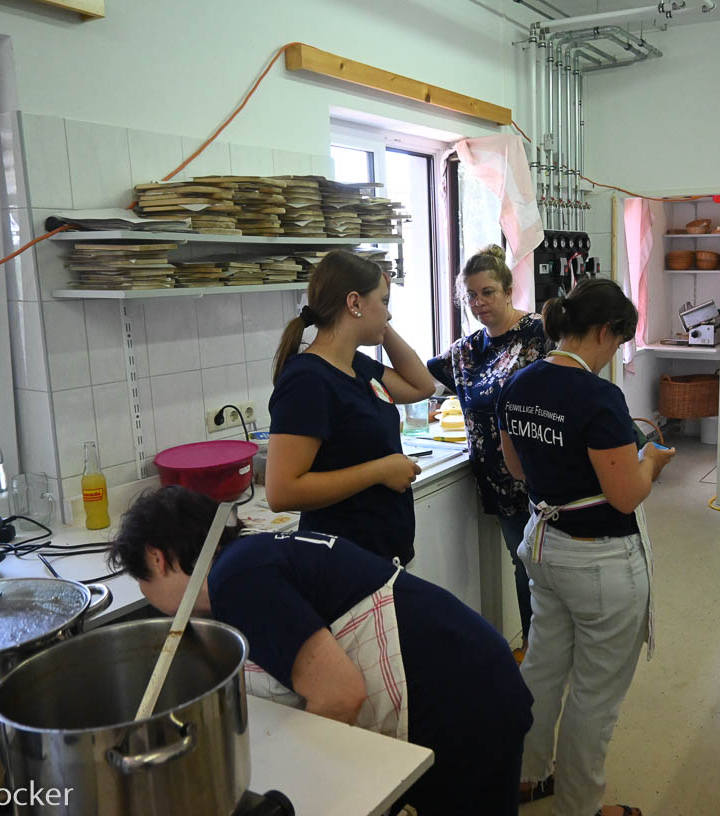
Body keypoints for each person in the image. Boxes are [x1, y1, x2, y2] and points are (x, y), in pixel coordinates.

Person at [108, 485, 534, 816]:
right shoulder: (247, 559)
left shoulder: (237, 580)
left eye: (142, 582)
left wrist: (295, 781)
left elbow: (340, 694)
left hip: (468, 701)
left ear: (157, 558)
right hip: (467, 676)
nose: (149, 597)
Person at [497, 278, 675, 816]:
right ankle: (579, 808)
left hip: (544, 548)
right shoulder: (599, 397)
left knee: (543, 666)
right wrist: (651, 462)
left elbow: (517, 468)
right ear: (603, 331)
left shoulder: (519, 383)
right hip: (599, 563)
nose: (614, 353)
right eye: (618, 342)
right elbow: (625, 496)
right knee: (595, 695)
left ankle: (525, 775)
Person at [265, 250, 436, 564]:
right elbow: (281, 492)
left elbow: (421, 386)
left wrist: (380, 322)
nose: (389, 315)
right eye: (384, 302)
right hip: (341, 562)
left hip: (382, 554)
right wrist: (380, 470)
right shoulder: (307, 379)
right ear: (354, 303)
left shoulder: (357, 365)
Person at [426, 245, 549, 660]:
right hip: (497, 480)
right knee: (524, 562)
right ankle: (533, 649)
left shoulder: (538, 332)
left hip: (542, 472)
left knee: (550, 566)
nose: (479, 303)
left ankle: (554, 647)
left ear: (509, 290)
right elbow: (420, 378)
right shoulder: (464, 351)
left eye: (488, 292)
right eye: (472, 295)